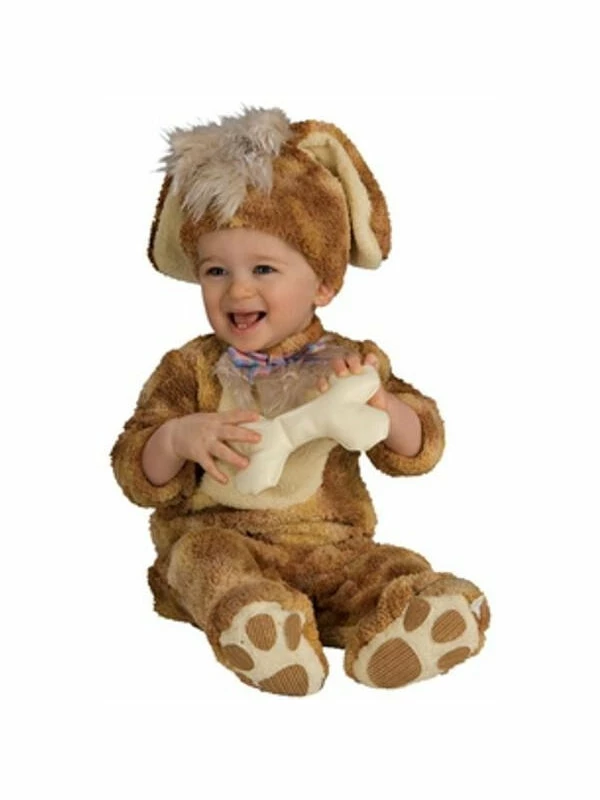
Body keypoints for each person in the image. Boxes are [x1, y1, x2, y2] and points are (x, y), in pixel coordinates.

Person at [111, 107, 490, 696]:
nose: (238, 289)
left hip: (332, 548)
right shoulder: (190, 369)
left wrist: (383, 405)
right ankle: (257, 622)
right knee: (201, 558)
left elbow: (420, 447)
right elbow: (136, 471)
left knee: (389, 567)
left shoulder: (352, 362)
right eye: (216, 270)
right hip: (227, 538)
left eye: (264, 267)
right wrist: (178, 438)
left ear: (323, 283)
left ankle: (412, 623)